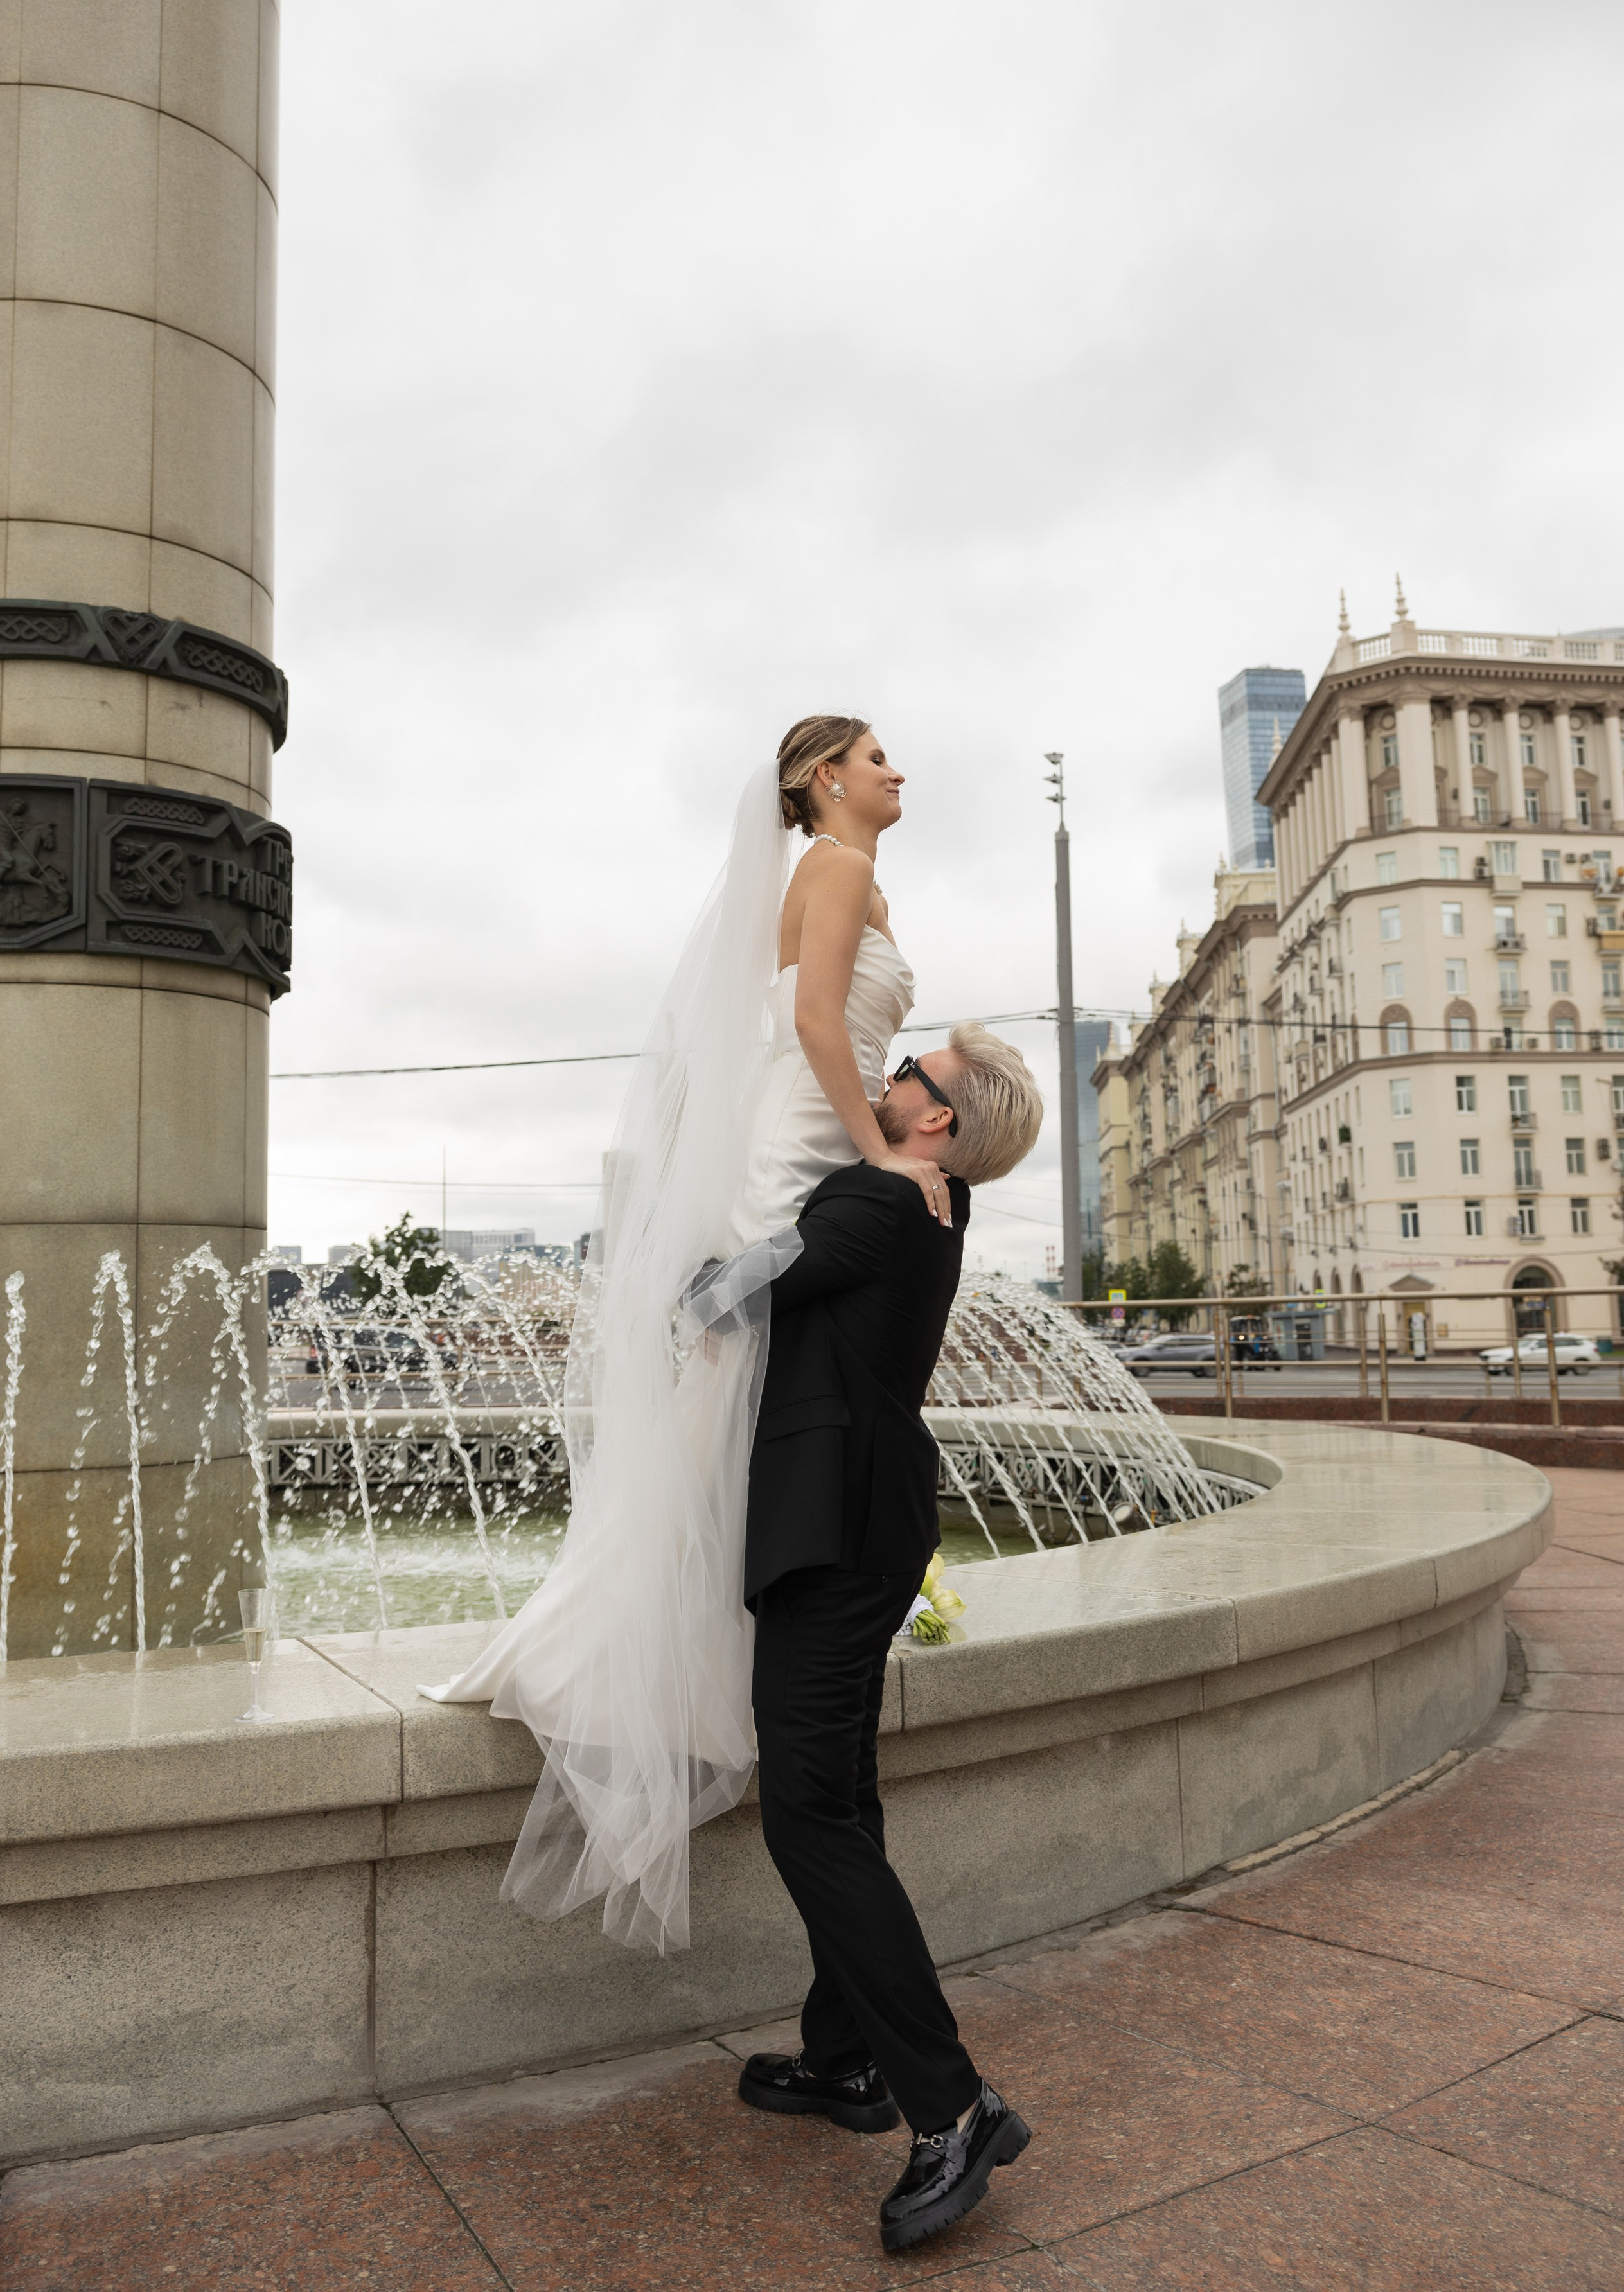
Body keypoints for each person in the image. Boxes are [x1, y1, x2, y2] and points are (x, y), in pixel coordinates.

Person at [421, 716, 946, 1953]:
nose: (897, 771)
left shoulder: (833, 874)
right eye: (878, 758)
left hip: (813, 1123)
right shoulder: (839, 867)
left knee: (749, 1388)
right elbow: (821, 1024)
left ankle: (703, 1635)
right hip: (812, 1133)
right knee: (747, 1376)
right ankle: (657, 1645)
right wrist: (877, 1149)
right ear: (825, 780)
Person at [712, 1023, 1045, 2255]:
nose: (888, 1075)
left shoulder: (880, 1196)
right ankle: (844, 2060)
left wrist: (662, 1246)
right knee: (841, 1791)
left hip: (833, 1534)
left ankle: (951, 2105)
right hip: (870, 1520)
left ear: (936, 1119)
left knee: (807, 1813)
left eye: (909, 1069)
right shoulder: (933, 1204)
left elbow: (731, 1295)